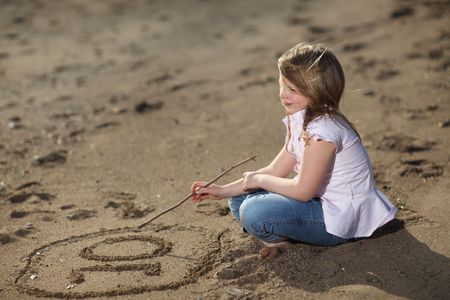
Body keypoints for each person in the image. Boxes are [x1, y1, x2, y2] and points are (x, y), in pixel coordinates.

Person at [191, 42, 397, 259]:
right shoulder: (301, 118)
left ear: (318, 91)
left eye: (293, 90)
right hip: (321, 203)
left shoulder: (323, 130)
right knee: (238, 198)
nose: (284, 95)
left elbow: (303, 191)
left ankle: (284, 240)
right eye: (283, 85)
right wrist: (222, 190)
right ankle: (285, 238)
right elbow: (276, 169)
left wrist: (259, 180)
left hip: (343, 218)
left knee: (253, 211)